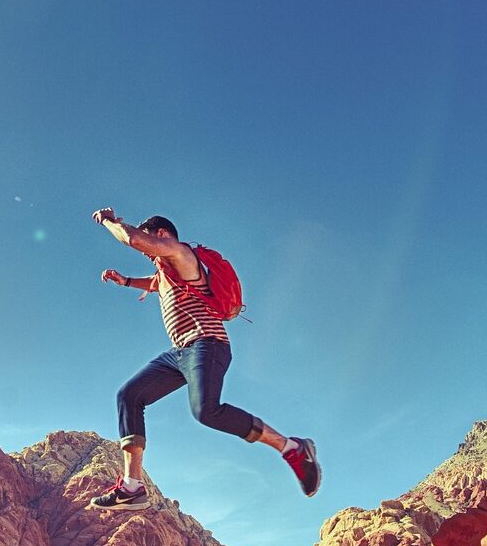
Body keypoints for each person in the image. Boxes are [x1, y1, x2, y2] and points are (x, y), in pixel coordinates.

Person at [89, 207, 321, 508]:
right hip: (179, 353)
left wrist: (111, 222)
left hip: (207, 344)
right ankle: (132, 487)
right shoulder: (166, 272)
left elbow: (133, 240)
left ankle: (292, 448)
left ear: (161, 235)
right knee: (129, 395)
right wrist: (126, 281)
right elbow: (154, 282)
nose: (149, 253)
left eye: (151, 243)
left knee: (206, 411)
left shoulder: (181, 253)